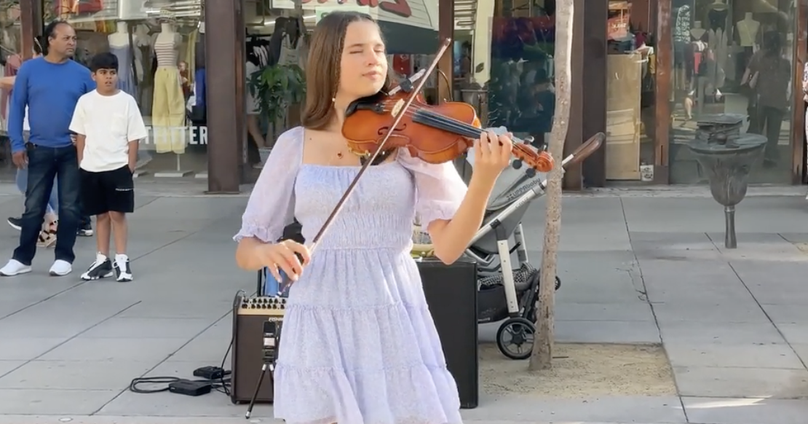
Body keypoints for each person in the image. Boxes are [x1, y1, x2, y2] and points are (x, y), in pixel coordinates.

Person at [233, 12, 513, 424]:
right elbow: (247, 249)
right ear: (329, 61)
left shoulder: (408, 138)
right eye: (358, 50)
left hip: (390, 307)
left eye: (379, 49)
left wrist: (484, 178)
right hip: (319, 309)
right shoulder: (295, 145)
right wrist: (270, 252)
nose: (375, 60)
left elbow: (450, 247)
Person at [0, 21, 96, 277]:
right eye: (66, 38)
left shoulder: (82, 74)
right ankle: (22, 258)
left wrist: (87, 142)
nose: (72, 42)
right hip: (38, 148)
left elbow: (95, 111)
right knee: (33, 206)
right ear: (51, 40)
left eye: (74, 38)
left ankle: (64, 257)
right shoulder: (30, 70)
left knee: (69, 206)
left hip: (70, 151)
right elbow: (17, 107)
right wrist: (17, 143)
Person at [69, 53, 144, 282]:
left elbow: (134, 138)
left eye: (112, 73)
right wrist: (82, 162)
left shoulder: (127, 101)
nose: (108, 77)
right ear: (94, 76)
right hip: (91, 167)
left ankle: (122, 259)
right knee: (100, 215)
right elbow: (80, 134)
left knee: (117, 214)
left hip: (118, 167)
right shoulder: (85, 101)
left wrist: (129, 166)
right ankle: (102, 260)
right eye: (103, 73)